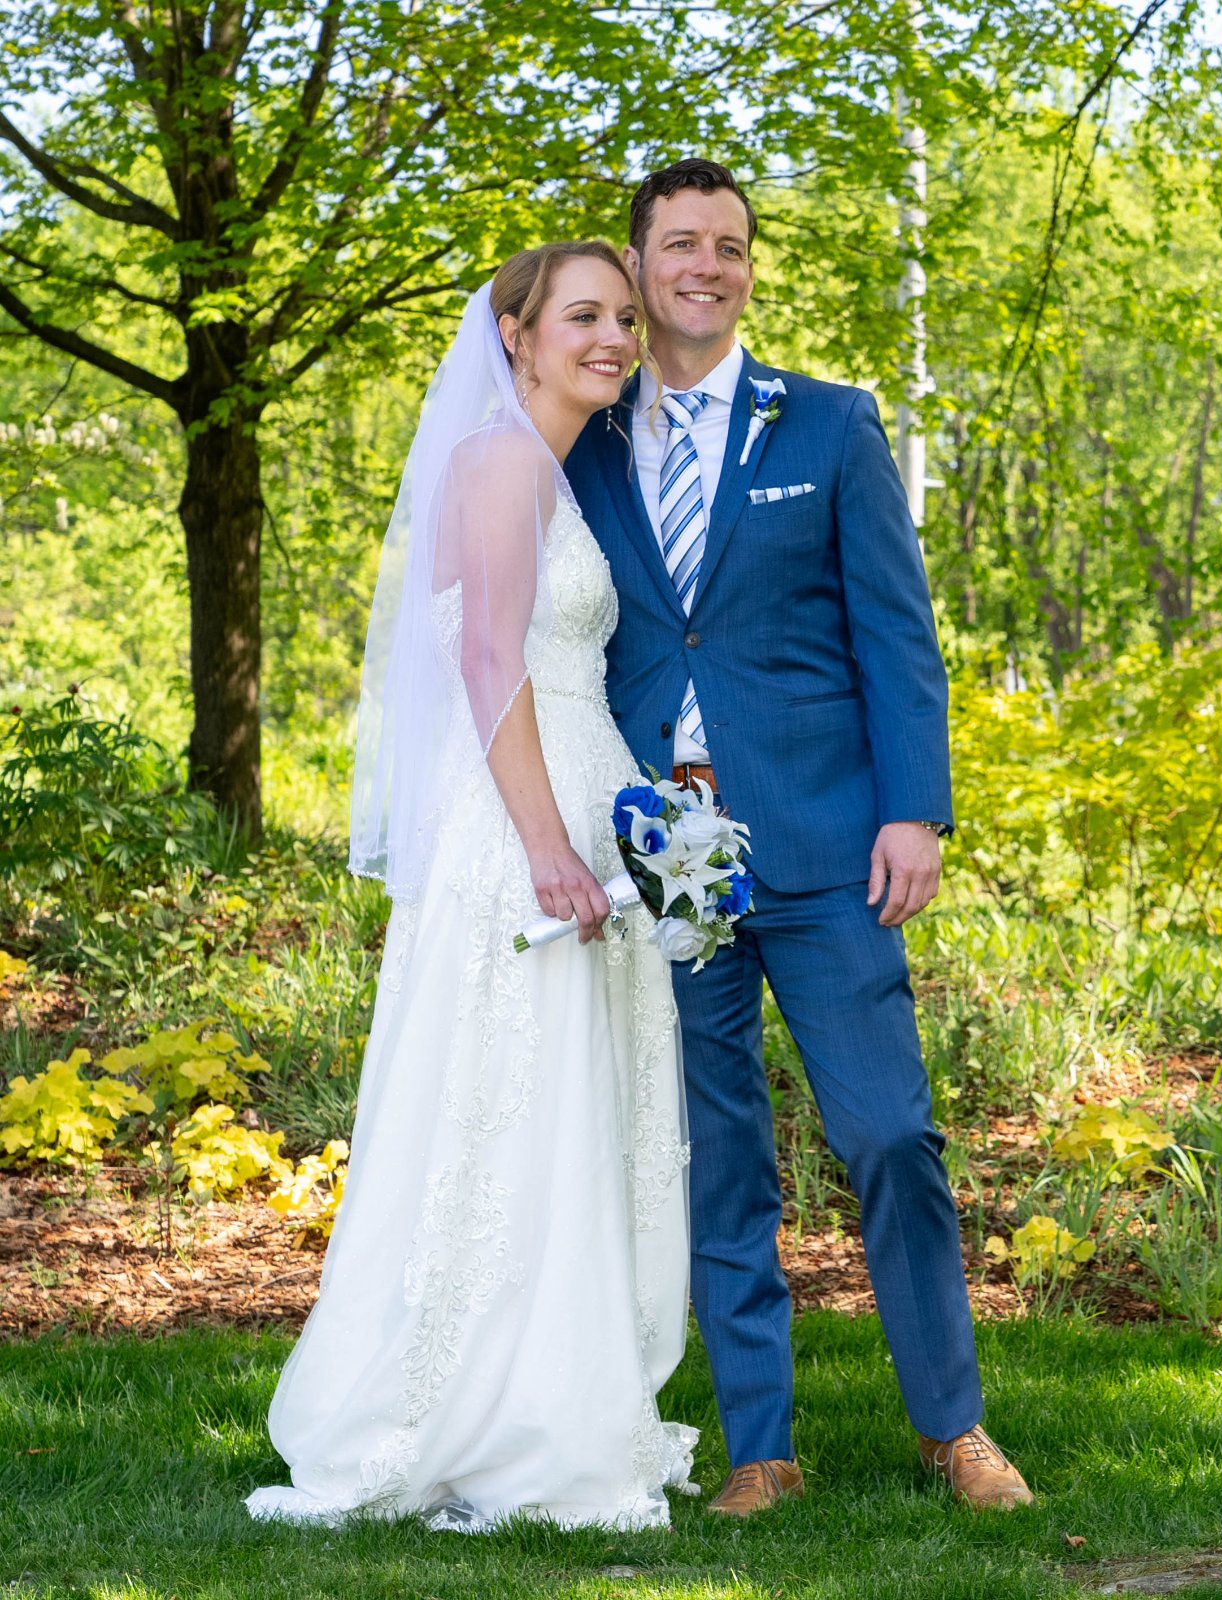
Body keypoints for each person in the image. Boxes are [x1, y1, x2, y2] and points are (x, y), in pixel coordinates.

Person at [565, 158, 1032, 1515]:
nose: (705, 266)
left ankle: (956, 1429)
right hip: (662, 849)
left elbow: (898, 630)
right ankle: (761, 1446)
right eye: (679, 245)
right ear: (641, 269)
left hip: (829, 843)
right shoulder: (582, 439)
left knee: (889, 1134)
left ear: (748, 268)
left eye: (730, 245)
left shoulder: (831, 425)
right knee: (720, 1153)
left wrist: (916, 809)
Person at [247, 242, 698, 1532]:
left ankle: (549, 1396)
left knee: (565, 1117)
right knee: (514, 1116)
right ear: (515, 332)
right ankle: (481, 1416)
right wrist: (551, 845)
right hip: (525, 832)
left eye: (622, 318)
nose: (612, 337)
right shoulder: (500, 463)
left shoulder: (552, 472)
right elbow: (492, 659)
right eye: (583, 317)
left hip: (579, 816)